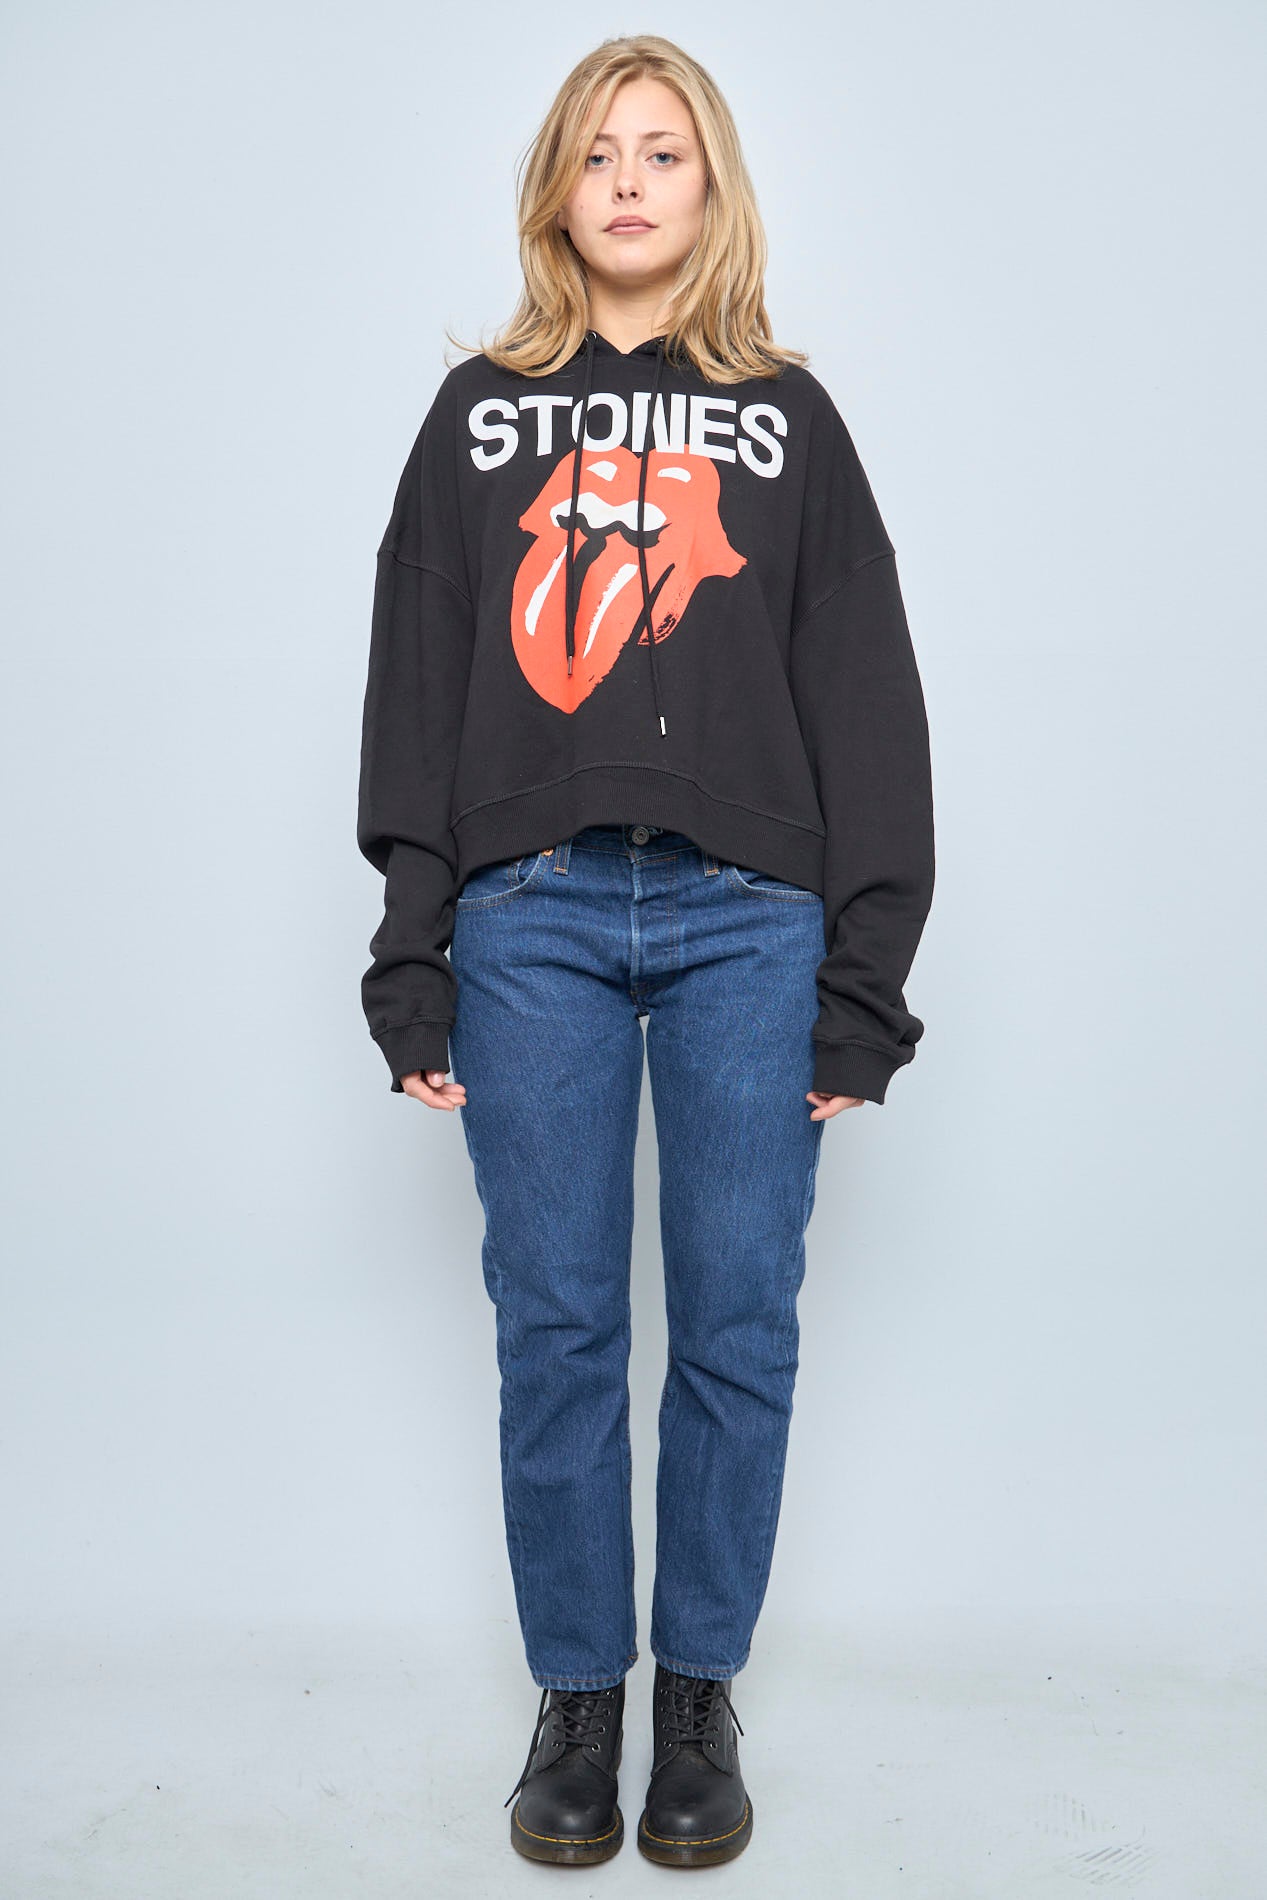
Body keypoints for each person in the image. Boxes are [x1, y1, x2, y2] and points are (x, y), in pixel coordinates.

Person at [357, 33, 935, 1869]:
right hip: (526, 916)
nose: (628, 178)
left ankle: (698, 1697)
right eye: (598, 150)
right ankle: (576, 1704)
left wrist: (863, 983)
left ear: (711, 186)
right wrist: (412, 950)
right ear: (556, 186)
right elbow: (416, 681)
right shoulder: (476, 417)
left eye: (663, 150)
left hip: (750, 923)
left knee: (740, 1316)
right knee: (557, 1323)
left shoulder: (788, 420)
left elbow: (865, 694)